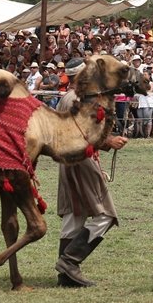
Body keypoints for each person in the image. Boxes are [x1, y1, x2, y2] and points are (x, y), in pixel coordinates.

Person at [53, 58, 127, 288]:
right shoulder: (77, 100)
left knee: (74, 215)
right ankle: (70, 261)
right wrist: (108, 141)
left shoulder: (66, 98)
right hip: (81, 161)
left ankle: (66, 275)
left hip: (68, 161)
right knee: (105, 215)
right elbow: (83, 134)